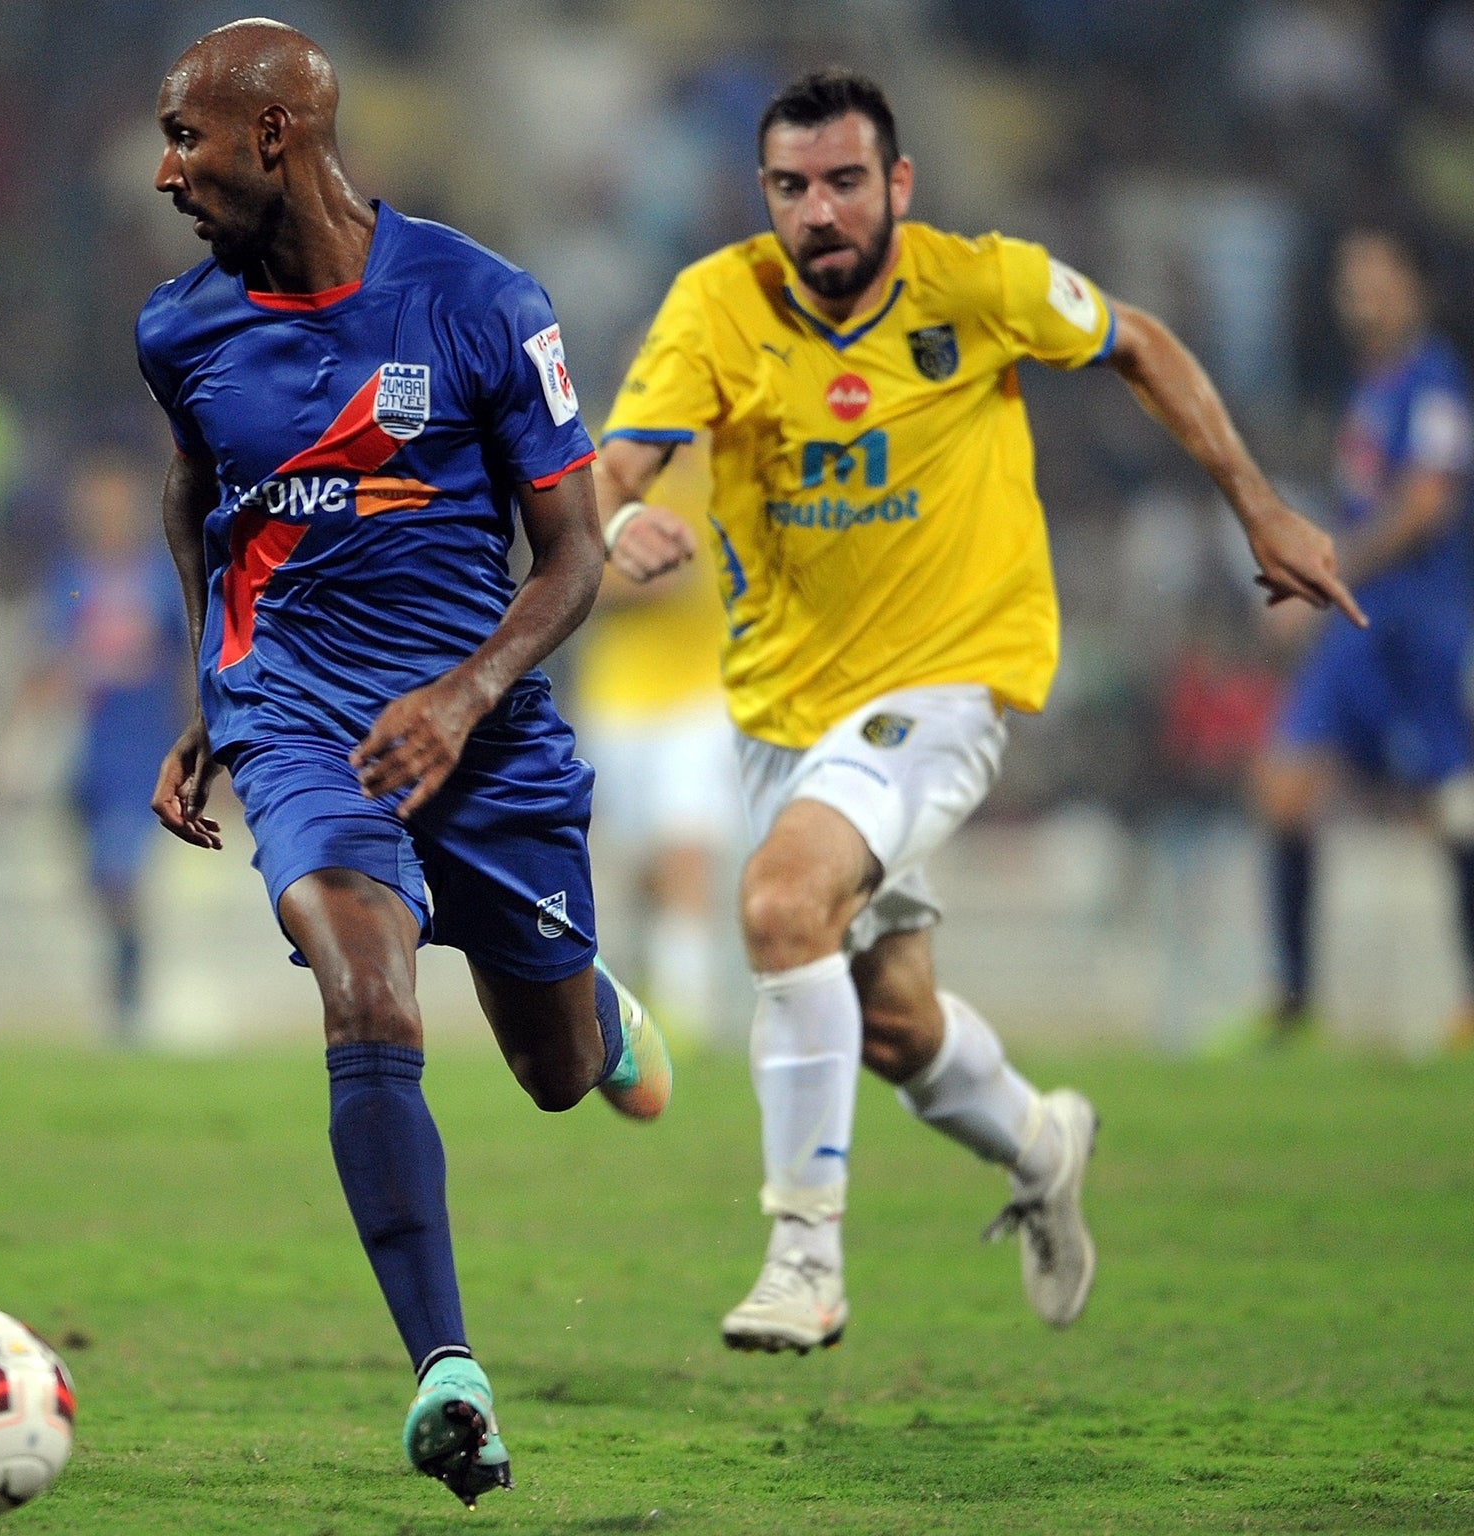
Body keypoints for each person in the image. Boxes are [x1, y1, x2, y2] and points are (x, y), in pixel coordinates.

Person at [598, 70, 1362, 1355]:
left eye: (845, 183)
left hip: (948, 684)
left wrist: (1256, 503)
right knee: (894, 1025)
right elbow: (614, 466)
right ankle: (1040, 1140)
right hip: (785, 713)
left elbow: (1139, 344)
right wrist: (619, 523)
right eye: (791, 188)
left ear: (897, 185)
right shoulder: (715, 305)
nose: (819, 213)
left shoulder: (980, 284)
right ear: (764, 197)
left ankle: (802, 1257)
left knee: (780, 904)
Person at [137, 19, 671, 1509]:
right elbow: (197, 496)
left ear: (280, 136)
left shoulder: (483, 301)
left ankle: (599, 1009)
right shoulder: (179, 329)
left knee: (556, 1074)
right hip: (295, 714)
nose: (168, 170)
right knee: (365, 993)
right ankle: (449, 1372)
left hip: (481, 733)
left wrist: (467, 691)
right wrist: (207, 685)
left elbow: (570, 559)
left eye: (190, 137)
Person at [1253, 228, 1474, 1049]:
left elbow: (1427, 506)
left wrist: (1330, 564)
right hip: (1356, 628)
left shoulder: (1435, 381)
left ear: (1414, 288)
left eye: (1378, 282)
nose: (1362, 300)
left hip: (1420, 624)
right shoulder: (1369, 388)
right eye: (1352, 286)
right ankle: (1294, 1001)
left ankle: (1471, 1007)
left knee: (1454, 811)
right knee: (1282, 789)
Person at [575, 438, 738, 1043]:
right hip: (616, 698)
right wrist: (619, 579)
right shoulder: (602, 472)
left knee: (686, 849)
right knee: (645, 866)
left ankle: (687, 1019)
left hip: (701, 694)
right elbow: (568, 568)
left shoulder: (726, 467)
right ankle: (651, 1002)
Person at [43, 450, 186, 1041]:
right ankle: (123, 980)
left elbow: (186, 658)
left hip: (140, 741)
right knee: (95, 874)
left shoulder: (161, 576)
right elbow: (53, 655)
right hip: (85, 744)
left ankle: (129, 999)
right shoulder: (71, 578)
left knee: (121, 870)